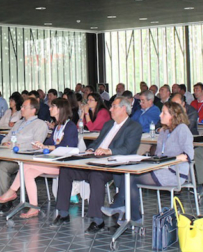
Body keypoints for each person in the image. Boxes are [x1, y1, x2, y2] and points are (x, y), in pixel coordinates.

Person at [52, 97, 141, 233]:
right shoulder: (108, 125)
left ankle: (97, 220)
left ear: (124, 108)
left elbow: (128, 149)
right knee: (66, 169)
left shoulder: (134, 127)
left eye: (114, 106)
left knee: (96, 175)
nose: (110, 109)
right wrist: (91, 149)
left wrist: (108, 151)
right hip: (94, 159)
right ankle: (63, 213)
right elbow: (97, 142)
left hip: (113, 166)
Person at [102, 102, 193, 225]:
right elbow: (159, 154)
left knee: (132, 177)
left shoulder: (182, 129)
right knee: (130, 172)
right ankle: (129, 212)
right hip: (160, 167)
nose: (160, 115)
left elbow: (188, 155)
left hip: (174, 172)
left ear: (173, 116)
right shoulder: (164, 132)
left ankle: (128, 212)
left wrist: (169, 161)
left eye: (164, 113)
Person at [0, 98, 78, 218]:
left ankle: (12, 191)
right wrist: (41, 145)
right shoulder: (57, 126)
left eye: (52, 107)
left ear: (60, 109)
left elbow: (67, 146)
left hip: (64, 164)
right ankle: (33, 207)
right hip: (53, 161)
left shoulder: (70, 126)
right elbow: (50, 143)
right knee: (27, 172)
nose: (49, 109)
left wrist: (47, 146)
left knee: (26, 165)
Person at [0, 97, 49, 213]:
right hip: (5, 153)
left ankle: (5, 199)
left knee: (2, 168)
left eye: (24, 107)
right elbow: (7, 137)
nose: (21, 108)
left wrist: (18, 146)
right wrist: (5, 142)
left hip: (21, 158)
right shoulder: (19, 123)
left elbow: (36, 146)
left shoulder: (40, 125)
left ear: (33, 110)